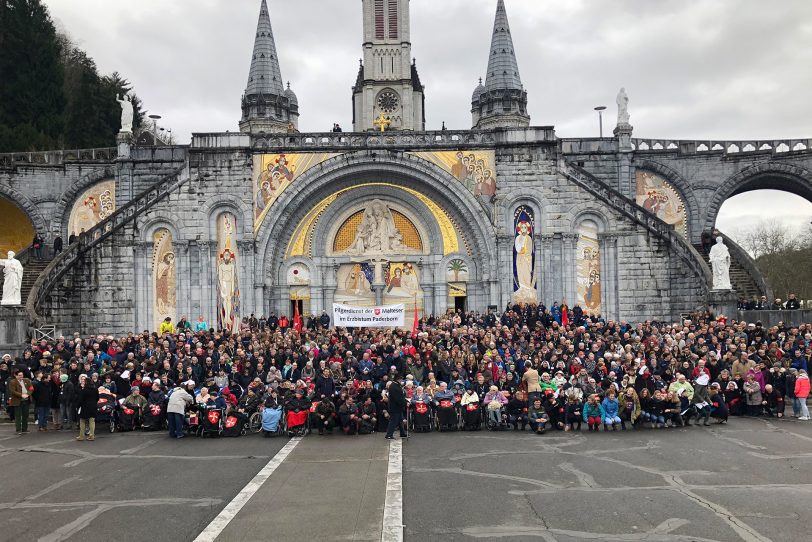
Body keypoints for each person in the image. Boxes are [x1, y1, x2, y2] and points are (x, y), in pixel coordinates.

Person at [8, 370, 33, 434]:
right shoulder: (12, 382)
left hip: (26, 400)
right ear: (15, 375)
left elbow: (31, 388)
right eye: (19, 375)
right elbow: (13, 391)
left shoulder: (27, 380)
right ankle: (18, 430)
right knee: (18, 416)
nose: (21, 376)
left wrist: (28, 394)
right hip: (18, 401)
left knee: (25, 415)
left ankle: (24, 429)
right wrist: (21, 395)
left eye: (21, 375)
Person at [76, 374, 99, 441]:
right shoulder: (95, 389)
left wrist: (78, 406)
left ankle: (81, 436)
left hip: (85, 407)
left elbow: (80, 400)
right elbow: (97, 398)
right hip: (93, 406)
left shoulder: (84, 390)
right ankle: (91, 436)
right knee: (92, 421)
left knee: (82, 421)